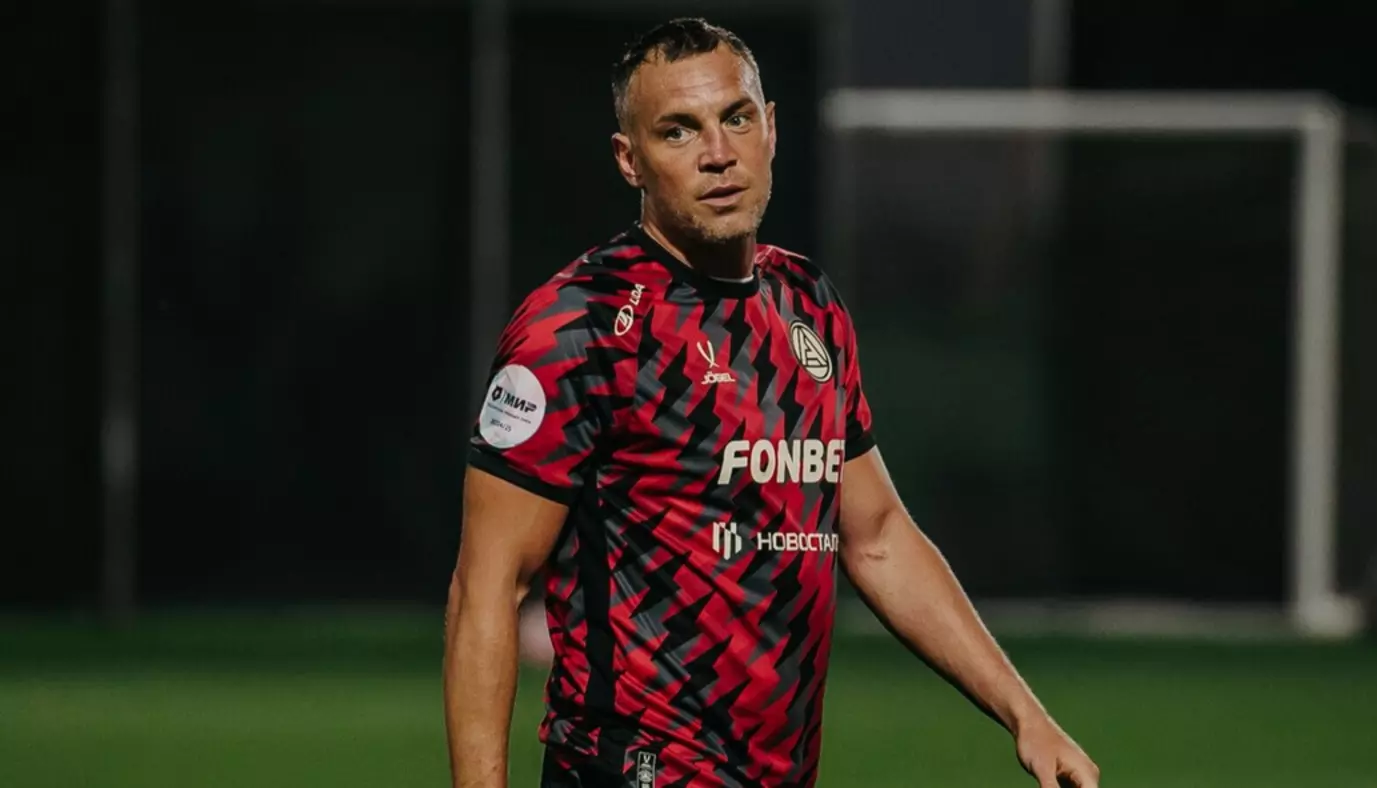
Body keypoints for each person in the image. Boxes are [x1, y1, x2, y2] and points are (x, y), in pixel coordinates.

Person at [444, 17, 1100, 788]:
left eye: (736, 118)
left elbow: (878, 537)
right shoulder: (579, 327)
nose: (718, 153)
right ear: (630, 160)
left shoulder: (808, 304)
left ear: (772, 128)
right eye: (678, 131)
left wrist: (1027, 716)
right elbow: (487, 589)